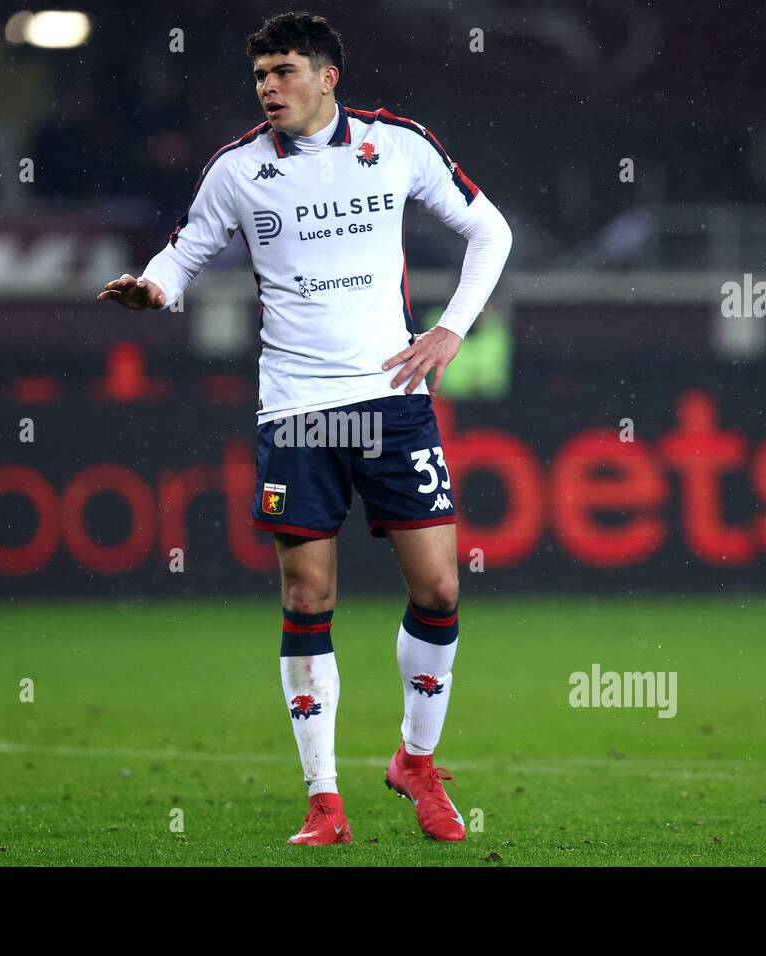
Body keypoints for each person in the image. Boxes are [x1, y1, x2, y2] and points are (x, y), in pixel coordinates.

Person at [99, 11, 512, 845]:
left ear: (327, 77)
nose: (268, 88)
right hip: (296, 411)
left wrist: (451, 329)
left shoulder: (396, 144)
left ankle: (415, 763)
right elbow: (183, 253)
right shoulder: (238, 171)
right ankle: (324, 799)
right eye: (260, 76)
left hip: (393, 401)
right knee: (307, 594)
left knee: (438, 587)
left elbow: (488, 230)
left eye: (284, 72)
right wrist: (154, 287)